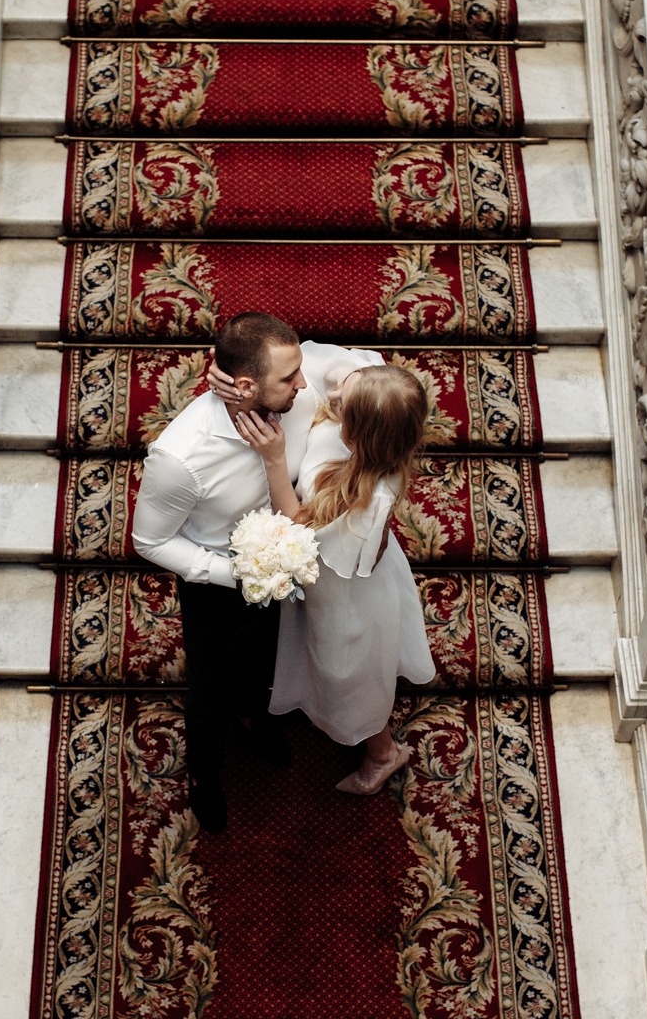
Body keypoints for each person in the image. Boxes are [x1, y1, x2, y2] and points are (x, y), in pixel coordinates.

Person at [131, 312, 381, 832]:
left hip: (287, 564)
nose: (305, 383)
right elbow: (149, 540)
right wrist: (233, 577)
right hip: (216, 585)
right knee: (209, 691)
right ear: (246, 385)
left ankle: (258, 717)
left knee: (269, 658)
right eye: (290, 377)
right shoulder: (180, 458)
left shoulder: (295, 392)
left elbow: (366, 367)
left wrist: (275, 573)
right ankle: (206, 776)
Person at [232, 362, 435, 795]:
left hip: (345, 598)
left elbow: (298, 529)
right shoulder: (374, 419)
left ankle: (383, 754)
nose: (333, 394)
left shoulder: (365, 496)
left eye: (346, 399)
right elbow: (328, 366)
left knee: (347, 676)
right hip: (350, 570)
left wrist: (274, 459)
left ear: (357, 435)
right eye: (348, 383)